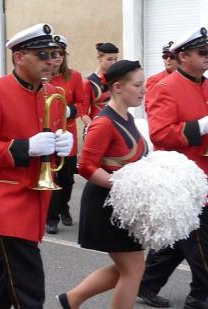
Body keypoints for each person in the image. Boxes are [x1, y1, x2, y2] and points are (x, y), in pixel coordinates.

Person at [0, 23, 73, 307]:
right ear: (19, 57)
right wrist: (25, 147)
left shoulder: (52, 93)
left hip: (36, 198)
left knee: (3, 277)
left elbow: (54, 134)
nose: (51, 61)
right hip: (7, 201)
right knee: (29, 287)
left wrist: (64, 143)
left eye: (54, 53)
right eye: (43, 54)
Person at [56, 60, 147, 309]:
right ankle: (72, 299)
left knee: (128, 267)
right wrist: (121, 186)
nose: (143, 91)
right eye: (138, 85)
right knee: (133, 269)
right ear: (117, 87)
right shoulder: (104, 122)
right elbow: (86, 166)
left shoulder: (127, 117)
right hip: (105, 205)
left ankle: (71, 299)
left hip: (121, 205)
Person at [139, 27, 208, 309]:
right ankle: (199, 295)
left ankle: (146, 283)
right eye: (203, 52)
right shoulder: (164, 88)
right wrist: (200, 126)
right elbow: (160, 134)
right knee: (201, 238)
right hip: (183, 177)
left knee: (180, 238)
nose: (207, 58)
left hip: (204, 171)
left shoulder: (206, 83)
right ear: (183, 56)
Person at [45, 35, 87, 234]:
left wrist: (70, 111)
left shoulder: (75, 76)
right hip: (48, 134)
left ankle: (64, 207)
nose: (58, 58)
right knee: (51, 176)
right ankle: (51, 217)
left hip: (67, 133)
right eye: (54, 54)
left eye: (61, 53)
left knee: (67, 178)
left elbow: (83, 104)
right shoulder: (43, 77)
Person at [82, 42, 119, 126]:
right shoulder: (89, 81)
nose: (113, 63)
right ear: (99, 58)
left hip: (116, 125)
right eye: (109, 59)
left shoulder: (118, 79)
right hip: (97, 124)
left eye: (116, 59)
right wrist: (93, 128)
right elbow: (83, 113)